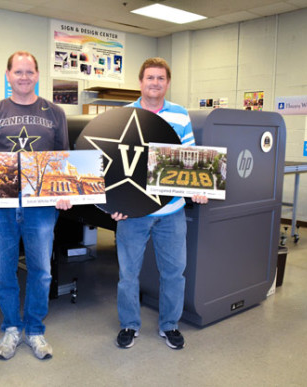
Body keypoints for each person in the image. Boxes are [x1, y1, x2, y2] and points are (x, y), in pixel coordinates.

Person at [0, 51, 71, 361]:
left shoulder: (55, 113)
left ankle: (35, 330)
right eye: (18, 72)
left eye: (29, 72)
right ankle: (12, 328)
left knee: (41, 272)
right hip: (0, 207)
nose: (24, 77)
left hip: (41, 207)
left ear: (38, 75)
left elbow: (63, 159)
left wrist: (66, 191)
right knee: (3, 273)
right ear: (8, 75)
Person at [111, 57, 208, 350]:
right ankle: (129, 324)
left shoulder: (180, 115)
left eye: (160, 78)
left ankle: (170, 325)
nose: (155, 83)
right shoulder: (123, 115)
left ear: (167, 83)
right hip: (132, 212)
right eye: (150, 78)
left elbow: (189, 158)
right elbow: (112, 164)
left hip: (172, 211)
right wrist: (114, 202)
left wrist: (198, 187)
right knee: (128, 274)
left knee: (174, 273)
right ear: (140, 82)